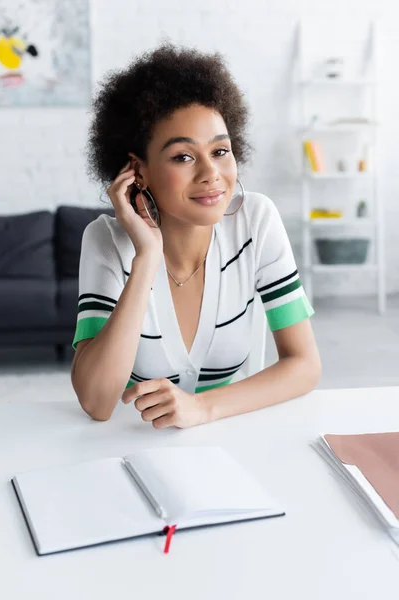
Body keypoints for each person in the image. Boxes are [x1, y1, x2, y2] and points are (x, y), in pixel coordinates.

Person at [71, 42, 321, 428]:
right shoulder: (106, 241)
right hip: (137, 444)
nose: (211, 174)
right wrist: (146, 258)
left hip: (232, 434)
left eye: (220, 151)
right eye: (183, 157)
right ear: (139, 171)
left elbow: (304, 365)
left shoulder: (256, 221)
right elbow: (98, 402)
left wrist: (202, 408)